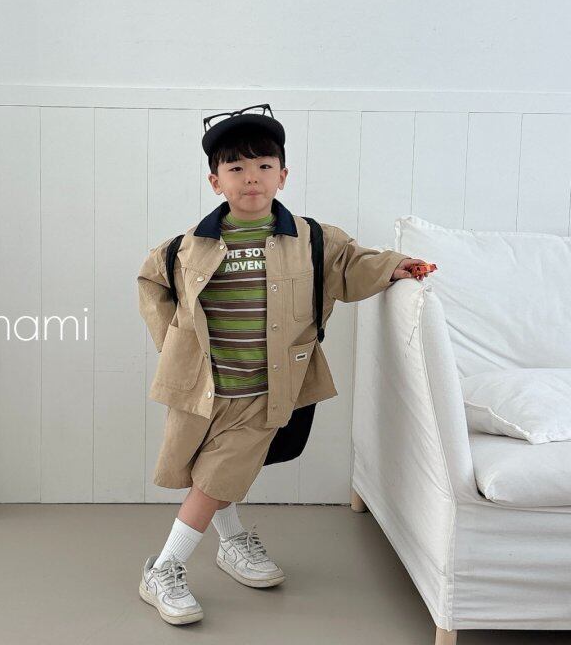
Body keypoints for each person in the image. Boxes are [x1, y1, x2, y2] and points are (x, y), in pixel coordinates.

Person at [136, 104, 430, 625]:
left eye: (264, 165)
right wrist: (177, 350)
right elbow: (153, 286)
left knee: (217, 474)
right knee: (209, 471)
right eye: (236, 168)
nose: (251, 177)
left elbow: (354, 265)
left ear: (283, 175)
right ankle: (231, 542)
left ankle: (163, 567)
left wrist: (395, 267)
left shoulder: (313, 240)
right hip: (203, 388)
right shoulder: (187, 246)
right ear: (215, 182)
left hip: (264, 387)